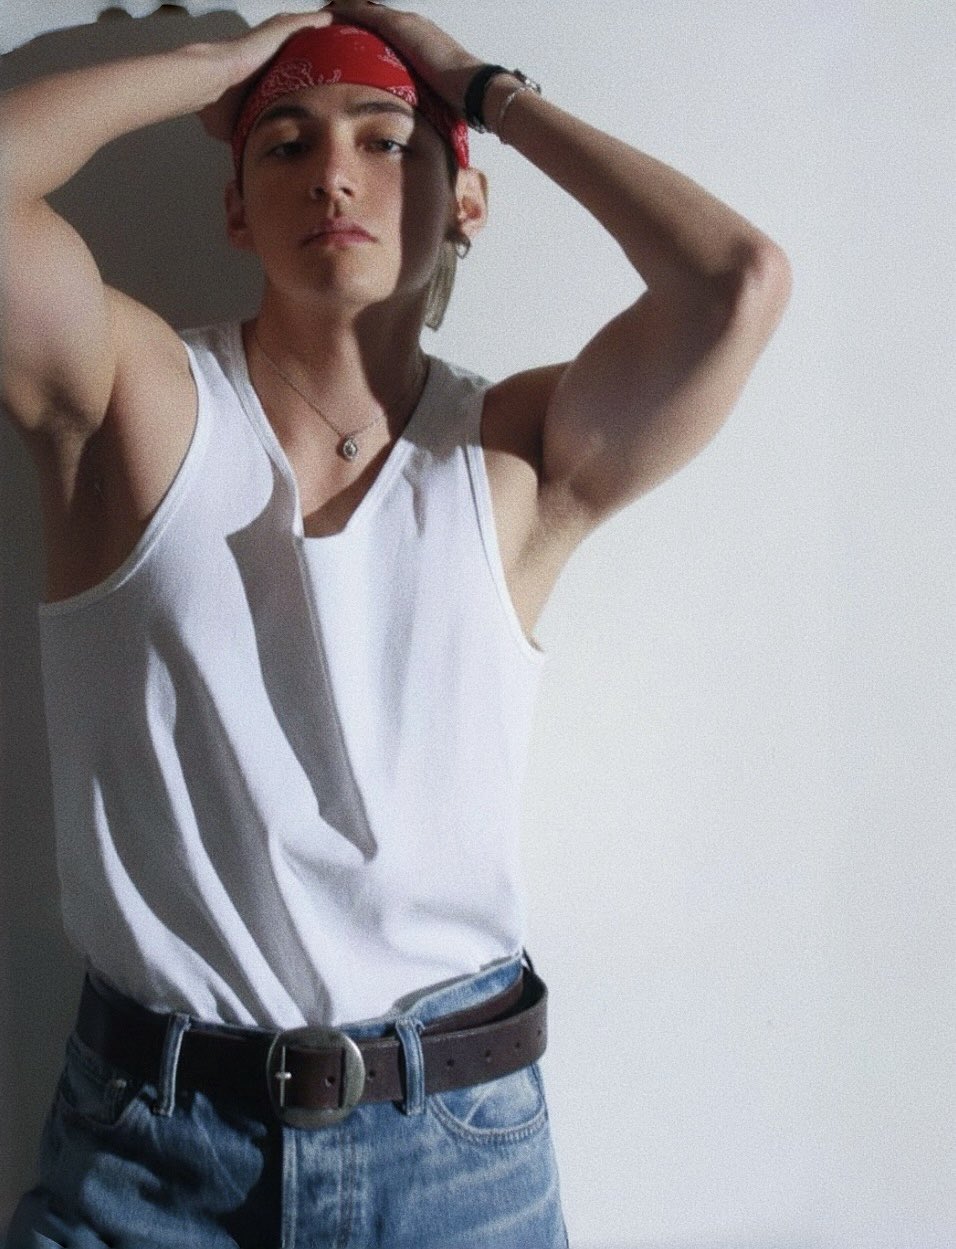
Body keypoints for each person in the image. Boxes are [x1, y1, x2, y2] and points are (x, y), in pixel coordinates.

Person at [0, 1, 791, 1245]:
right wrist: (214, 67)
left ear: (464, 200)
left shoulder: (517, 454)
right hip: (149, 1155)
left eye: (385, 141)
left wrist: (484, 91)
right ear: (235, 209)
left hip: (456, 1154)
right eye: (286, 144)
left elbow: (735, 282)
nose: (334, 174)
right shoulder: (134, 401)